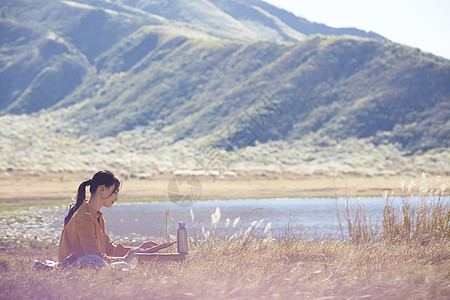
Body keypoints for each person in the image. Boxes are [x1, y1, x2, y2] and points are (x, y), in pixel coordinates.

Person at [55, 170, 157, 269]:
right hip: (73, 269)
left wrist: (137, 251)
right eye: (115, 193)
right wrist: (125, 258)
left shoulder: (96, 216)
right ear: (102, 189)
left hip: (88, 267)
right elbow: (95, 258)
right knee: (124, 266)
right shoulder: (84, 216)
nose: (116, 198)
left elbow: (108, 249)